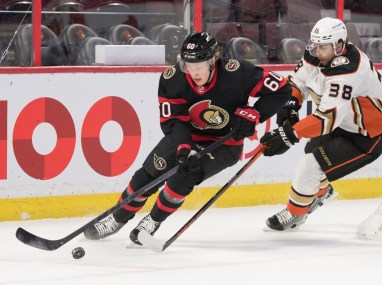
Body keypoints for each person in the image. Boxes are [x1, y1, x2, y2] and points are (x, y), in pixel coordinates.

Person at [84, 32, 292, 244]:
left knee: (183, 178)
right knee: (146, 176)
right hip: (184, 137)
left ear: (213, 60)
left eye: (199, 65)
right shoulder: (172, 78)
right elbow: (174, 122)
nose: (192, 72)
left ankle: (153, 221)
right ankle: (117, 218)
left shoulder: (238, 73)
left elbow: (283, 89)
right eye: (188, 65)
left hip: (224, 144)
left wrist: (253, 115)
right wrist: (185, 148)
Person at [260, 17, 382, 231]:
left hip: (370, 134)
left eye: (323, 47)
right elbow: (298, 82)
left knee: (309, 166)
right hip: (345, 123)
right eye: (315, 45)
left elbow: (327, 117)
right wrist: (290, 106)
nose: (317, 52)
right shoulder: (319, 53)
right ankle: (322, 192)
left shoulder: (349, 70)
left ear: (339, 45)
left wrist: (289, 134)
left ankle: (295, 214)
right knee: (312, 152)